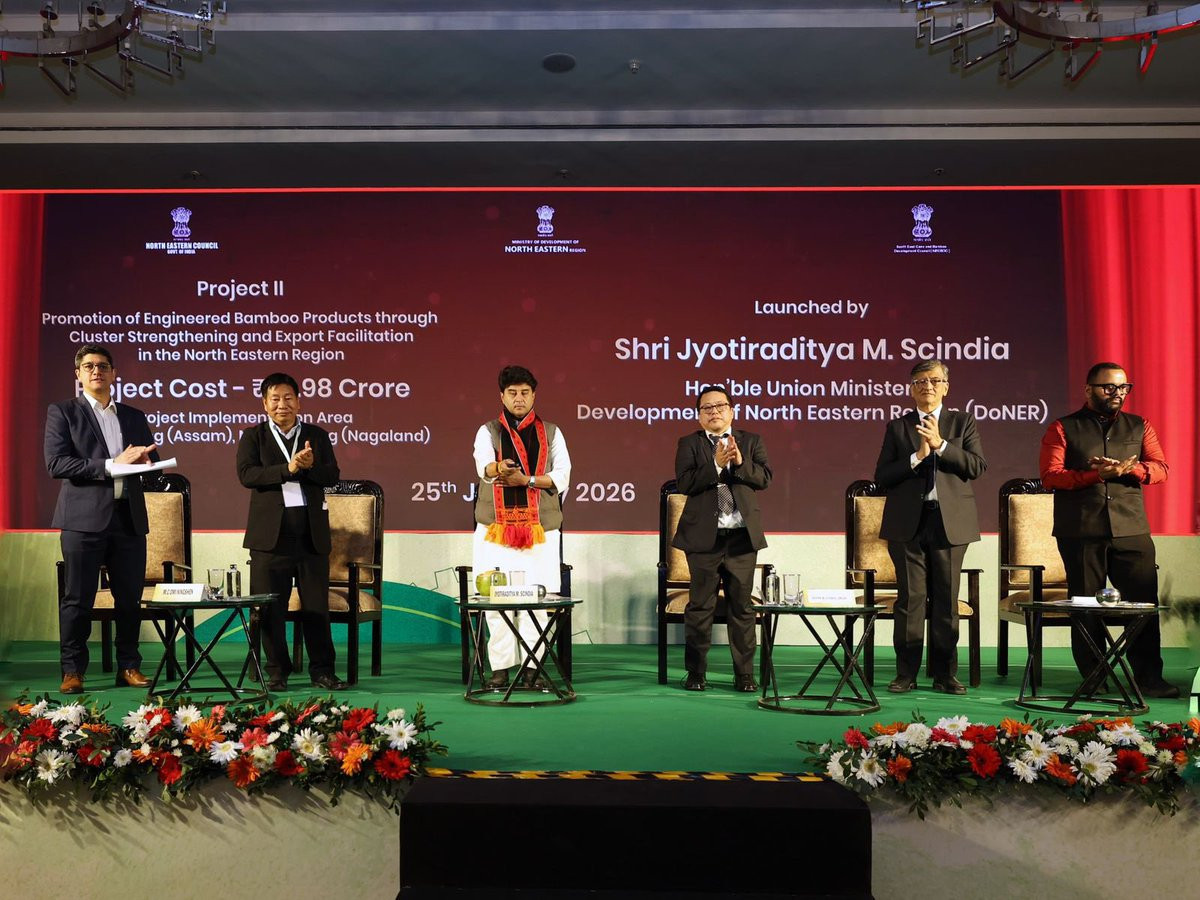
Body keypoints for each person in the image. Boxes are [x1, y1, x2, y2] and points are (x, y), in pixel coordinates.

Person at [1039, 361, 1178, 698]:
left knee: (1143, 606)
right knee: (1086, 606)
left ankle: (1148, 677)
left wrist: (1132, 470)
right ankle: (1094, 677)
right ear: (1089, 390)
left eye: (1123, 387)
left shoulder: (1140, 426)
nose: (1117, 393)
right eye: (1108, 387)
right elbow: (1051, 476)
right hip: (1080, 530)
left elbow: (1161, 469)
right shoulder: (1063, 427)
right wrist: (1095, 476)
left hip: (1131, 529)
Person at [44, 344, 159, 694]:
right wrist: (111, 465)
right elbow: (57, 463)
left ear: (114, 374)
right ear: (78, 374)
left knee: (129, 599)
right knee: (77, 599)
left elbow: (150, 464)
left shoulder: (134, 416)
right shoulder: (63, 412)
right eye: (89, 366)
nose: (97, 371)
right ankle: (73, 671)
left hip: (128, 519)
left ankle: (129, 666)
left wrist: (147, 464)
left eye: (103, 366)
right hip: (83, 521)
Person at [874, 359, 986, 695]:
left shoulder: (962, 422)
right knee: (910, 599)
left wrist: (941, 446)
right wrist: (917, 457)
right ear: (911, 389)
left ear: (946, 387)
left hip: (950, 523)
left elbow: (976, 466)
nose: (928, 386)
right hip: (908, 522)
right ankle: (905, 673)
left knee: (946, 600)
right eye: (920, 381)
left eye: (935, 380)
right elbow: (882, 476)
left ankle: (944, 674)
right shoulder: (898, 427)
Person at [237, 373, 348, 692]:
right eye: (275, 399)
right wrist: (289, 469)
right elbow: (247, 475)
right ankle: (277, 671)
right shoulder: (253, 436)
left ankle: (323, 671)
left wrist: (309, 466)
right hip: (270, 539)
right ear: (264, 404)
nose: (282, 404)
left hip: (310, 536)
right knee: (270, 609)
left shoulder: (317, 435)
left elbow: (332, 476)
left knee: (316, 608)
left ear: (299, 402)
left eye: (288, 398)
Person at [472, 365, 572, 689]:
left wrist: (525, 480)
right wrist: (499, 467)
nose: (519, 398)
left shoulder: (552, 433)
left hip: (540, 530)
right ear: (502, 396)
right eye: (512, 393)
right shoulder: (488, 431)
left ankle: (532, 668)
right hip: (495, 530)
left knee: (538, 599)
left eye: (525, 393)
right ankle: (500, 669)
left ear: (534, 395)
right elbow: (483, 467)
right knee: (496, 599)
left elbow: (562, 476)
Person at [672, 385, 772, 692]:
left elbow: (764, 479)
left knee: (742, 608)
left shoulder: (751, 441)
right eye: (707, 408)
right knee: (700, 607)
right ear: (699, 416)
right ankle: (696, 672)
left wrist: (740, 463)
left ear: (731, 410)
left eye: (720, 406)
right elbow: (685, 483)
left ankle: (744, 675)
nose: (714, 412)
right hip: (704, 539)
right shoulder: (689, 443)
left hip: (741, 538)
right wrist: (715, 464)